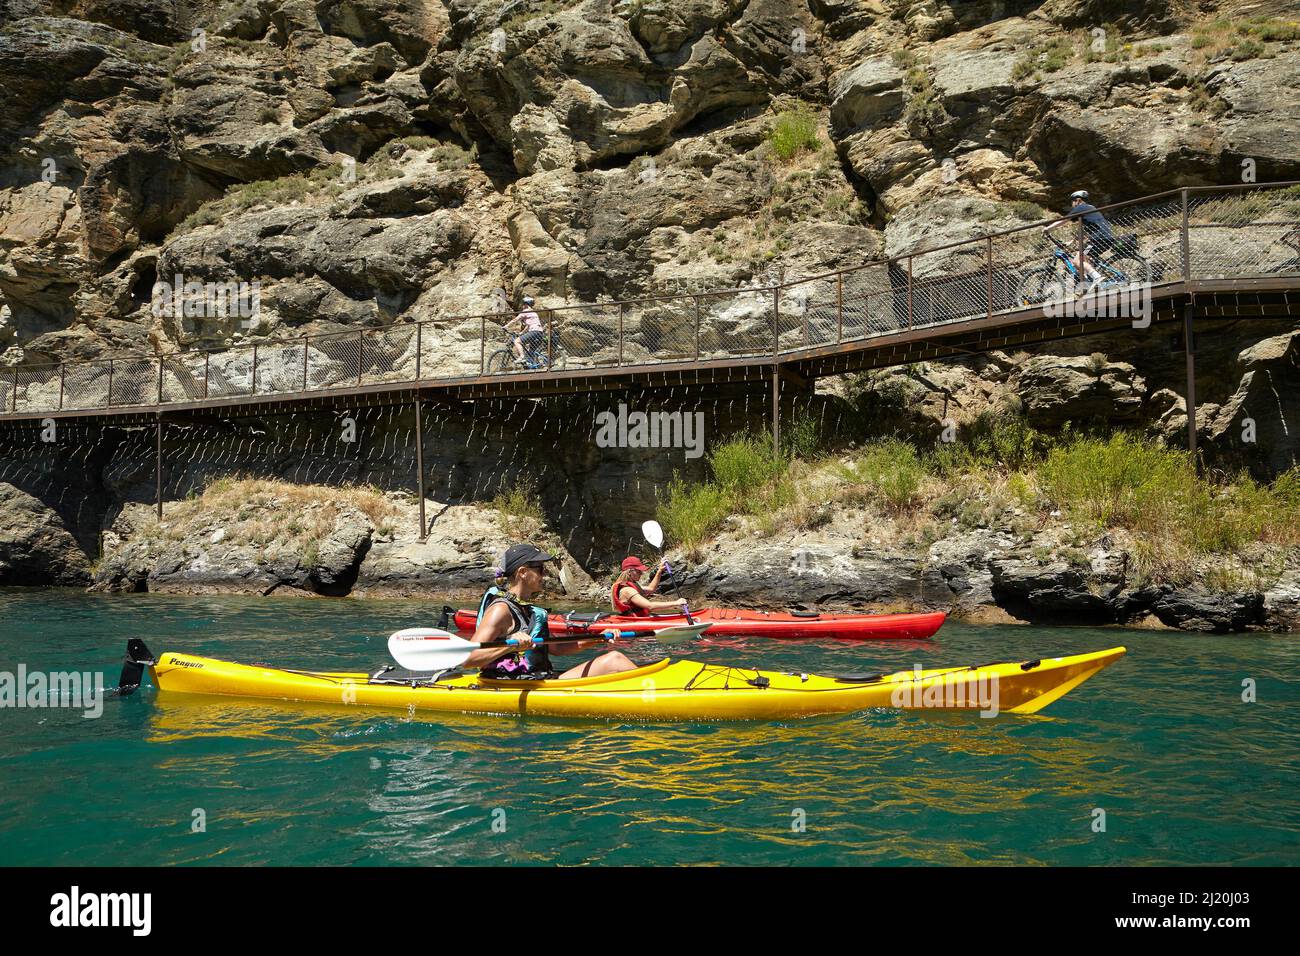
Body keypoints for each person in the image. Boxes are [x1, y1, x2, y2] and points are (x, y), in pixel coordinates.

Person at [468, 543, 637, 679]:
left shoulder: (530, 611)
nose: (545, 575)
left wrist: (599, 638)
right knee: (615, 660)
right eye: (541, 569)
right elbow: (469, 659)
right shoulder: (500, 610)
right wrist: (509, 646)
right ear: (523, 572)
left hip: (539, 678)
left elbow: (556, 648)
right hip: (512, 683)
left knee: (615, 661)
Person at [1043, 190, 1115, 290]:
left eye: (1072, 201)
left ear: (1078, 200)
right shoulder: (1090, 209)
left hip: (1099, 239)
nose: (1072, 204)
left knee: (1077, 261)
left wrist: (1048, 228)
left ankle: (1098, 277)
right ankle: (1088, 286)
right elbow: (1086, 229)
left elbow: (1065, 219)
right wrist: (1072, 241)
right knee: (1085, 261)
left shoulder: (1081, 207)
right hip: (1104, 238)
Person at [611, 556, 689, 617]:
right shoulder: (627, 590)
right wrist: (676, 603)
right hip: (634, 622)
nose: (641, 573)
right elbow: (650, 606)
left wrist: (660, 571)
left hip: (641, 618)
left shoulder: (633, 585)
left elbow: (651, 589)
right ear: (629, 572)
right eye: (638, 571)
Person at [505, 296, 545, 365]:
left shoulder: (526, 311)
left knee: (517, 341)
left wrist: (506, 326)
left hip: (534, 332)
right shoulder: (533, 313)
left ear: (526, 304)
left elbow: (516, 319)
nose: (522, 306)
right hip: (540, 333)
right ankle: (534, 365)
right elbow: (528, 326)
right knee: (531, 351)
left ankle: (522, 357)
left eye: (523, 304)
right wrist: (521, 333)